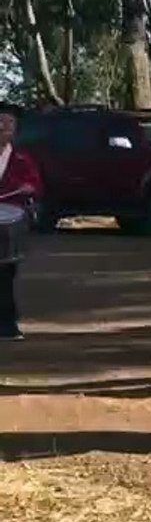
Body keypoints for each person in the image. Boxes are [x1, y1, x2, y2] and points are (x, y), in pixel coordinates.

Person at [0, 102, 42, 342]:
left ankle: (7, 325)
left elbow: (36, 185)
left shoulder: (23, 160)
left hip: (9, 226)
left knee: (5, 276)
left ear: (15, 129)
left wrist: (30, 187)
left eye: (10, 122)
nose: (4, 126)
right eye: (0, 121)